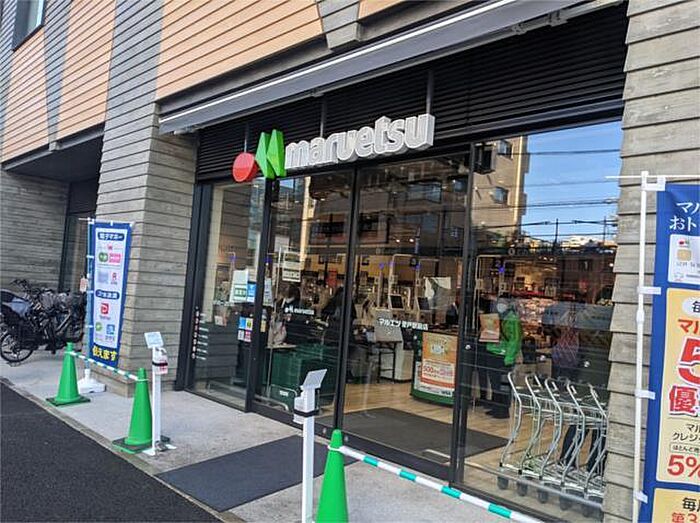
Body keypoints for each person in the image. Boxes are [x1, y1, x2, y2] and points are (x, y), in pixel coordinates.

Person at [485, 296, 522, 419]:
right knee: (495, 383)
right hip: (493, 352)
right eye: (499, 302)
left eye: (503, 303)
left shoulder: (512, 319)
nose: (500, 305)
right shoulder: (496, 316)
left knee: (503, 384)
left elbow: (515, 340)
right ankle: (496, 407)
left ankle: (503, 410)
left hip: (503, 355)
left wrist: (509, 358)